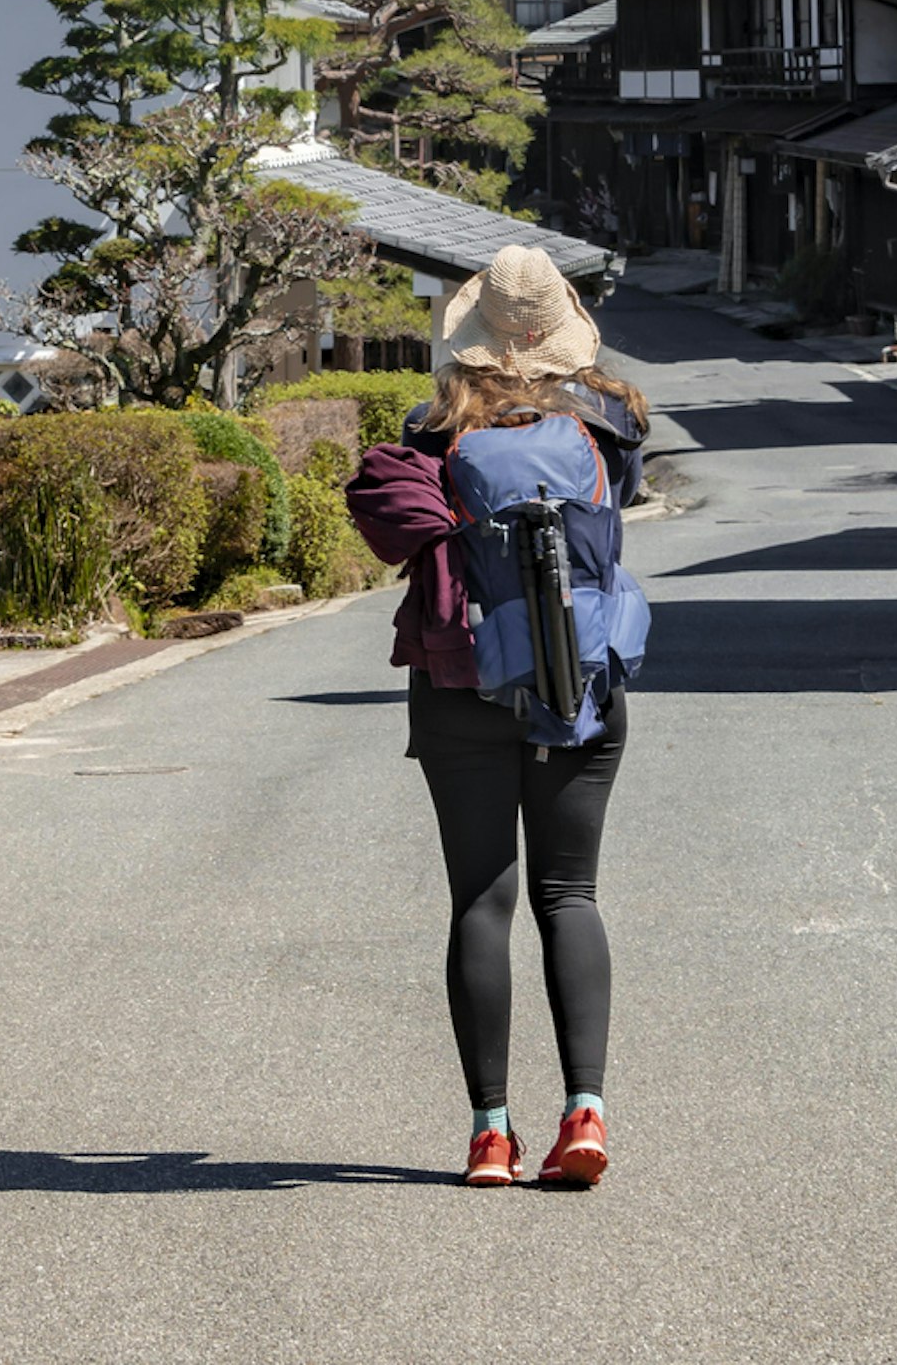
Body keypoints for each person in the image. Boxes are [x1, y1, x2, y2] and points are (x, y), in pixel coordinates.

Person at [346, 245, 649, 1190]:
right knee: (571, 896)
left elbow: (385, 522)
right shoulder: (610, 426)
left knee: (482, 900)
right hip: (580, 683)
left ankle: (489, 1134)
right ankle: (586, 1115)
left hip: (460, 683)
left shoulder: (428, 436)